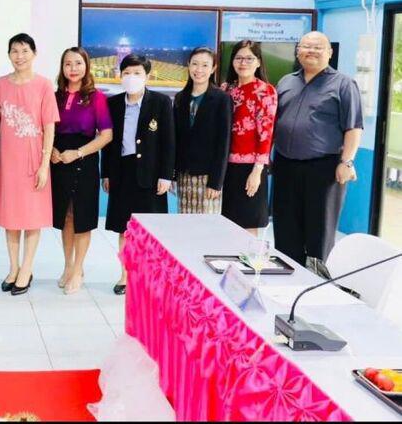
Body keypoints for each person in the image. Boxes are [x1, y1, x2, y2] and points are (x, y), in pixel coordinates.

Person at [273, 32, 363, 274]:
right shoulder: (286, 82)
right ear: (298, 51)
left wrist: (347, 162)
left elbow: (354, 127)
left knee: (319, 231)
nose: (311, 51)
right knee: (285, 228)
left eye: (318, 47)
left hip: (323, 169)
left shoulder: (344, 84)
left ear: (329, 53)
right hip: (285, 165)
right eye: (306, 46)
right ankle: (287, 279)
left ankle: (317, 283)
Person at [0, 33, 59, 296]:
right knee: (10, 217)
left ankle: (27, 268)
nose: (19, 56)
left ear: (34, 53)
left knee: (32, 217)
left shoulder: (43, 85)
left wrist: (45, 164)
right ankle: (13, 268)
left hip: (33, 159)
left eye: (24, 51)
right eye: (14, 51)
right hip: (6, 159)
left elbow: (49, 126)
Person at [102, 54, 174, 295]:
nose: (131, 77)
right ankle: (125, 275)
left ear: (147, 76)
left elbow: (168, 141)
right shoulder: (113, 104)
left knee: (149, 230)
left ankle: (148, 276)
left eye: (137, 73)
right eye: (127, 73)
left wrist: (166, 175)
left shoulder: (160, 102)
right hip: (122, 172)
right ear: (120, 75)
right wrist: (106, 174)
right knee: (124, 228)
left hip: (151, 174)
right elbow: (108, 144)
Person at [50, 47, 113, 294]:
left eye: (78, 63)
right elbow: (46, 129)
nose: (73, 68)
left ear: (86, 66)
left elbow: (106, 135)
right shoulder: (54, 96)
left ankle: (78, 270)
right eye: (68, 64)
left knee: (82, 218)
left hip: (83, 161)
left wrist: (77, 153)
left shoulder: (96, 98)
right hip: (58, 162)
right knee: (65, 216)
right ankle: (68, 266)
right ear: (62, 68)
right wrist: (51, 150)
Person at [221, 41, 277, 234]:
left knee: (247, 223)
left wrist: (257, 171)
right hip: (225, 166)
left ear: (258, 62)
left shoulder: (265, 91)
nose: (243, 63)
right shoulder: (226, 89)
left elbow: (266, 133)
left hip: (250, 167)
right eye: (238, 58)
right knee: (226, 223)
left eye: (249, 58)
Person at [173, 47, 232, 214]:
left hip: (208, 176)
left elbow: (224, 143)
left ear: (213, 68)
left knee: (206, 225)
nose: (199, 70)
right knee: (185, 222)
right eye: (195, 64)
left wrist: (216, 182)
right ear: (188, 65)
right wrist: (173, 174)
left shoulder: (222, 99)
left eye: (205, 65)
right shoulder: (180, 98)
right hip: (184, 175)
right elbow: (175, 139)